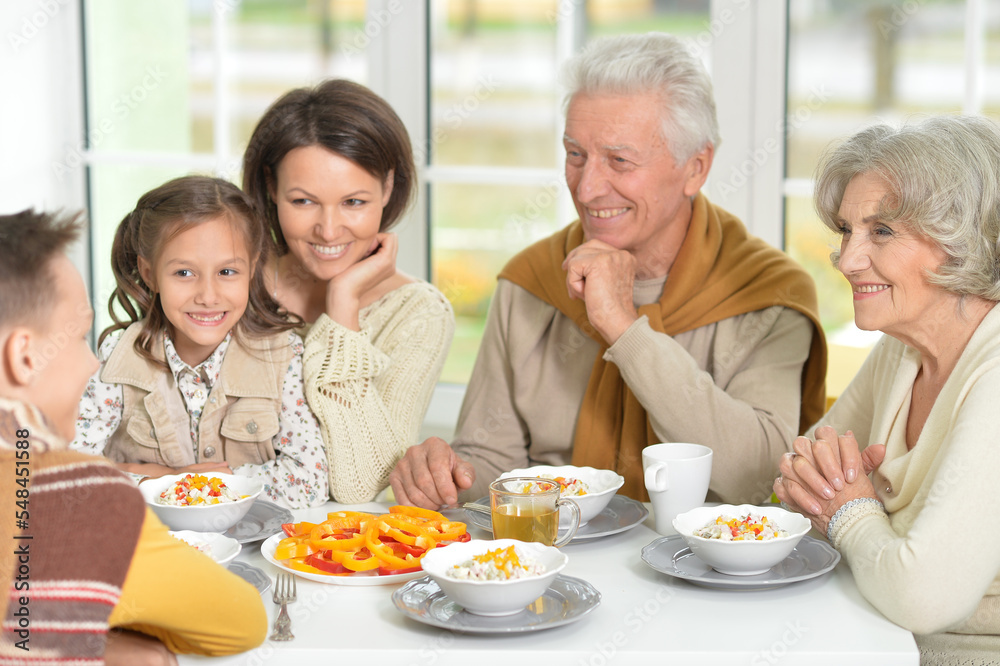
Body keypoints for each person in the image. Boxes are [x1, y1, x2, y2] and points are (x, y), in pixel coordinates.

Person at [389, 32, 827, 508]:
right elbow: (492, 464)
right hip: (554, 562)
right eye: (575, 154)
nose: (589, 187)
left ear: (696, 167)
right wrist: (444, 476)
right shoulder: (531, 280)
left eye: (619, 160)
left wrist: (624, 328)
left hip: (708, 571)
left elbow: (757, 478)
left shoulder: (769, 294)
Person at [773, 115, 1000, 664]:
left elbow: (923, 597)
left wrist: (852, 511)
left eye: (881, 231)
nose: (847, 260)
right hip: (872, 636)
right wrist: (855, 510)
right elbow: (794, 481)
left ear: (961, 239)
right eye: (847, 231)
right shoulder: (902, 347)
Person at [0, 210, 266, 665]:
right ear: (25, 356)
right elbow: (242, 624)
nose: (90, 364)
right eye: (77, 337)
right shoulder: (77, 495)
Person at [243, 79, 455, 503]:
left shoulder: (419, 314)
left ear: (388, 188)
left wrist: (344, 307)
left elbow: (364, 483)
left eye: (353, 203)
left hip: (334, 554)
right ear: (271, 188)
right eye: (303, 201)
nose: (328, 229)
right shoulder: (229, 286)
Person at [69, 176, 328, 509]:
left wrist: (199, 485)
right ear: (149, 274)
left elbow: (309, 484)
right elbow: (67, 471)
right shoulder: (117, 358)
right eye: (184, 273)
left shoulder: (283, 355)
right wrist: (153, 480)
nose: (208, 296)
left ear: (251, 269)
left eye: (227, 272)